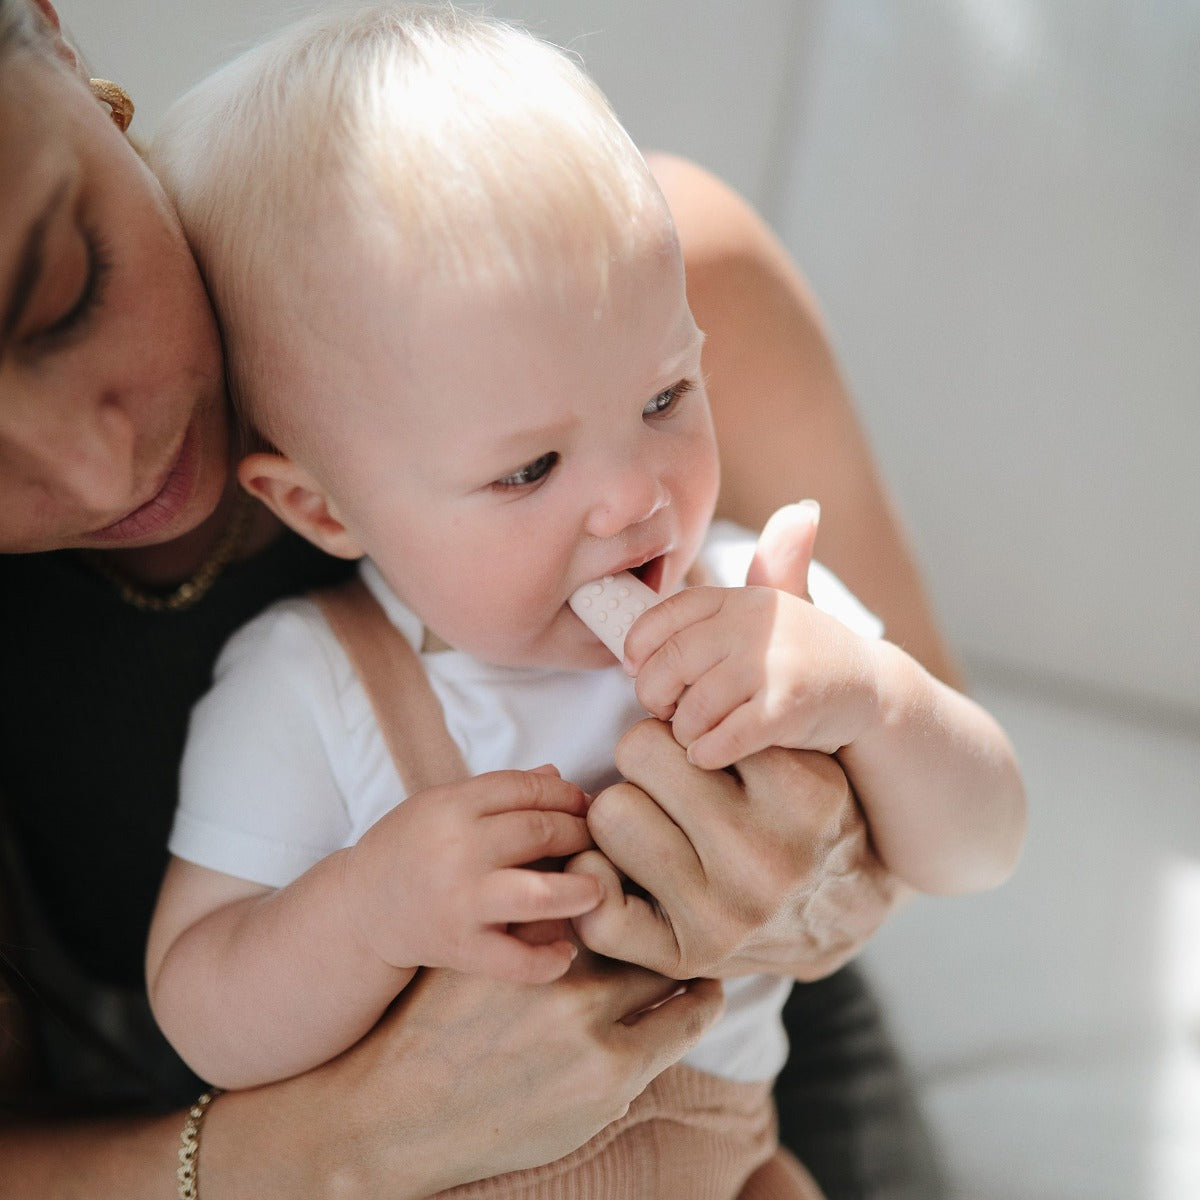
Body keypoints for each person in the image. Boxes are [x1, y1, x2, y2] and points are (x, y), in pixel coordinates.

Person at [0, 0, 961, 1195]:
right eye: (526, 469)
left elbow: (957, 804)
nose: (100, 469)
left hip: (750, 1077)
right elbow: (198, 1005)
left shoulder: (634, 272)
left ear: (59, 40)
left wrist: (848, 833)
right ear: (317, 504)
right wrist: (334, 1137)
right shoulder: (304, 684)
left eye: (64, 292)